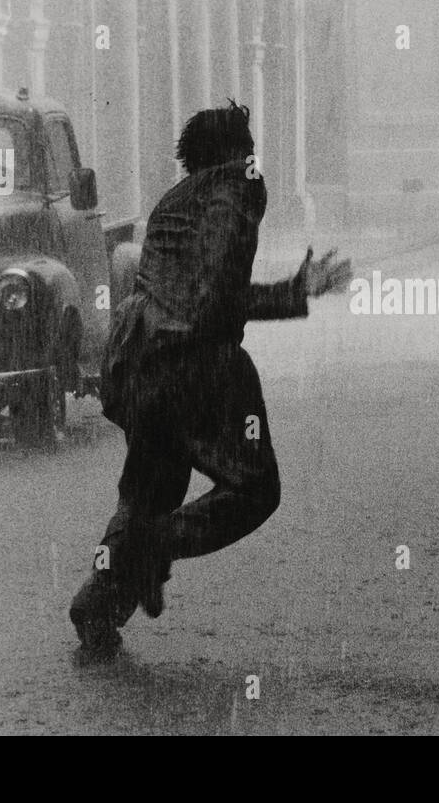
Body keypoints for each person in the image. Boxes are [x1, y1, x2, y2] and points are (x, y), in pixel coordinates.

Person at [70, 101, 351, 652]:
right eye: (247, 148)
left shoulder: (173, 202)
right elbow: (212, 297)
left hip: (142, 369)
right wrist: (295, 291)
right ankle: (154, 547)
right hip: (197, 367)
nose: (253, 159)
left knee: (148, 493)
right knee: (254, 489)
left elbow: (188, 285)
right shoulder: (238, 185)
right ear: (233, 153)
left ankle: (97, 602)